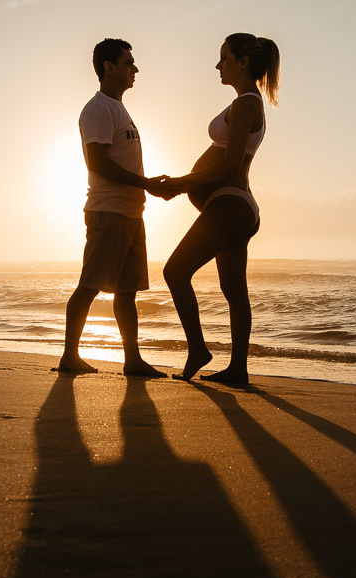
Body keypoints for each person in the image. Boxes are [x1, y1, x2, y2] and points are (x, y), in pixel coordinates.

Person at [157, 33, 280, 384]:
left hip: (230, 204)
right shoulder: (246, 102)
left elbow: (228, 166)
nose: (218, 65)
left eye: (224, 57)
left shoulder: (246, 105)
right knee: (233, 290)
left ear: (243, 62)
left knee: (175, 271)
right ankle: (238, 370)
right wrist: (187, 186)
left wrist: (182, 182)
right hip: (234, 206)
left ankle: (198, 350)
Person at [58, 38, 170, 377]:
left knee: (127, 291)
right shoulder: (99, 108)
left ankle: (132, 359)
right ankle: (70, 355)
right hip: (108, 210)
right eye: (128, 62)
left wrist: (146, 188)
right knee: (90, 283)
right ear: (108, 67)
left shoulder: (119, 109)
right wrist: (147, 184)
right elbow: (98, 163)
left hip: (132, 212)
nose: (134, 69)